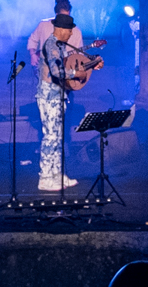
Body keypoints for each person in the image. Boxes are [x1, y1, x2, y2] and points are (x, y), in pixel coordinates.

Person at [36, 12, 98, 192]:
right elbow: (56, 72)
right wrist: (74, 74)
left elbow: (68, 64)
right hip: (49, 96)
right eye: (69, 31)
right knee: (50, 137)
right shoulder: (52, 45)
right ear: (61, 29)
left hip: (58, 95)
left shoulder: (60, 46)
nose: (71, 34)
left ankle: (56, 173)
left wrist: (91, 64)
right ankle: (45, 177)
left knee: (58, 137)